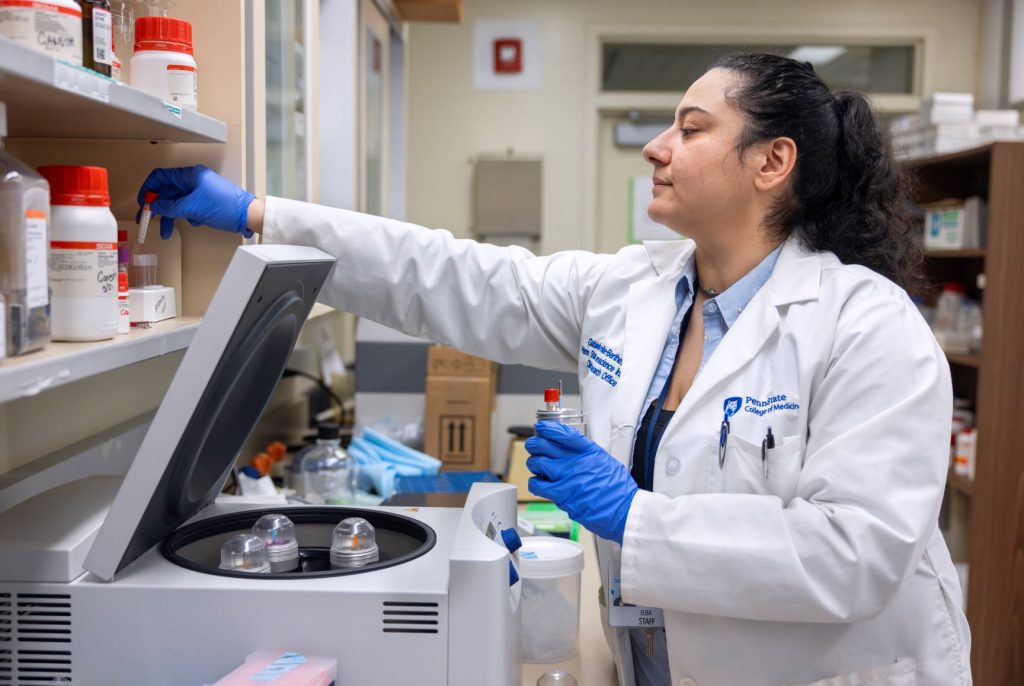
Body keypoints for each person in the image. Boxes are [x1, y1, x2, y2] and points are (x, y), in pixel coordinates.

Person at [138, 54, 970, 686]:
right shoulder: (631, 290)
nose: (657, 146)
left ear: (771, 162)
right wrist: (257, 214)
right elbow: (448, 273)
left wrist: (631, 518)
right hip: (654, 658)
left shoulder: (867, 327)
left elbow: (853, 555)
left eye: (690, 127)